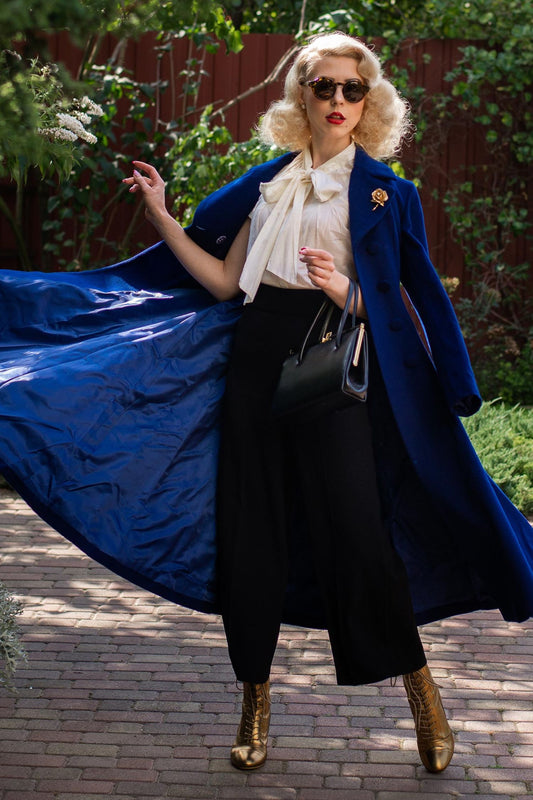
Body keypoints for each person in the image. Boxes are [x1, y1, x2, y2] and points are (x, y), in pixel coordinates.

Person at [0, 31, 532, 779]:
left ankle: (420, 690)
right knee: (252, 531)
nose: (339, 101)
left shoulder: (387, 194)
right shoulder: (268, 182)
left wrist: (343, 291)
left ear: (369, 100)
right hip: (257, 354)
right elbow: (222, 282)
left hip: (331, 360)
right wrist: (159, 213)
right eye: (324, 88)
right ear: (301, 97)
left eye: (353, 89)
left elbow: (407, 305)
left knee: (356, 531)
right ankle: (253, 698)